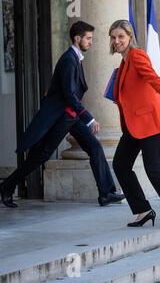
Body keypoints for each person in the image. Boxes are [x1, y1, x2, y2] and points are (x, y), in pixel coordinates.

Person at [0, 21, 124, 208]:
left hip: (70, 117)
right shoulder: (68, 60)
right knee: (40, 155)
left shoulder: (75, 58)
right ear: (77, 38)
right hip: (62, 117)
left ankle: (106, 193)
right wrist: (89, 118)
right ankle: (7, 186)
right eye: (88, 38)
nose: (91, 42)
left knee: (95, 148)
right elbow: (68, 94)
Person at [108, 20, 160, 240]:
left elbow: (153, 78)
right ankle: (143, 210)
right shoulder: (125, 62)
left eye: (121, 37)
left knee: (154, 169)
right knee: (120, 164)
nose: (117, 41)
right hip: (133, 124)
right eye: (114, 37)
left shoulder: (137, 55)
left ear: (130, 37)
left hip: (149, 122)